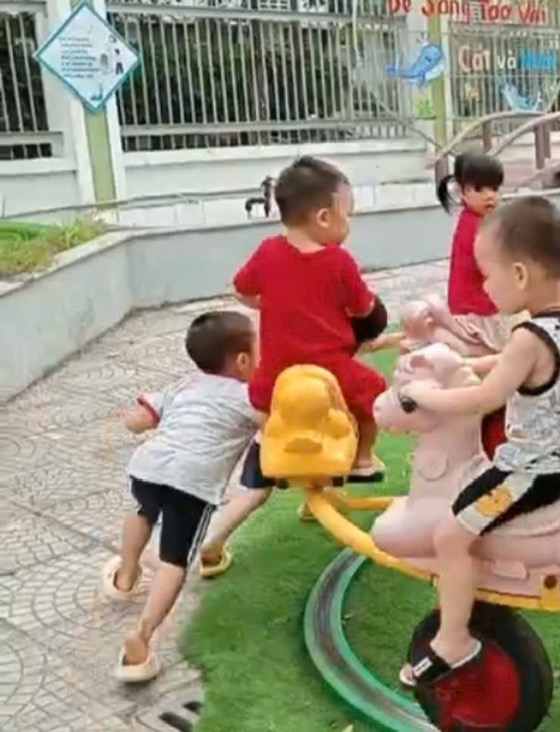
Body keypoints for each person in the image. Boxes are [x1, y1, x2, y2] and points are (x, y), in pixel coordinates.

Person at [395, 196, 560, 686]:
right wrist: (472, 364)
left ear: (520, 274)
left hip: (536, 471)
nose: (484, 285)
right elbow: (512, 366)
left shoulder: (529, 336)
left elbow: (482, 398)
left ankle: (453, 639)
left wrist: (424, 395)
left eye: (486, 274)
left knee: (450, 535)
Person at [198, 156, 387, 576]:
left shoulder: (268, 252)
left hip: (276, 377)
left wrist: (271, 301)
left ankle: (279, 461)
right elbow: (364, 309)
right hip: (330, 370)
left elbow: (242, 289)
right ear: (324, 217)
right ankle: (363, 458)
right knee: (374, 392)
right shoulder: (339, 261)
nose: (350, 223)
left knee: (270, 432)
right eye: (348, 213)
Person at [101, 311, 261, 682]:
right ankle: (142, 635)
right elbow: (273, 424)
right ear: (243, 361)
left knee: (142, 511)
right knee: (174, 559)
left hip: (149, 465)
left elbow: (140, 419)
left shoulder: (184, 384)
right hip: (193, 482)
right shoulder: (249, 396)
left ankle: (126, 575)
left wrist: (132, 419)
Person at [436, 151, 514, 456]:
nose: (490, 195)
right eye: (480, 189)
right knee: (501, 373)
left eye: (494, 188)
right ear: (463, 191)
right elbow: (490, 265)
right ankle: (491, 437)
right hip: (477, 313)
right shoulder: (476, 227)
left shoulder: (477, 221)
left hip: (472, 308)